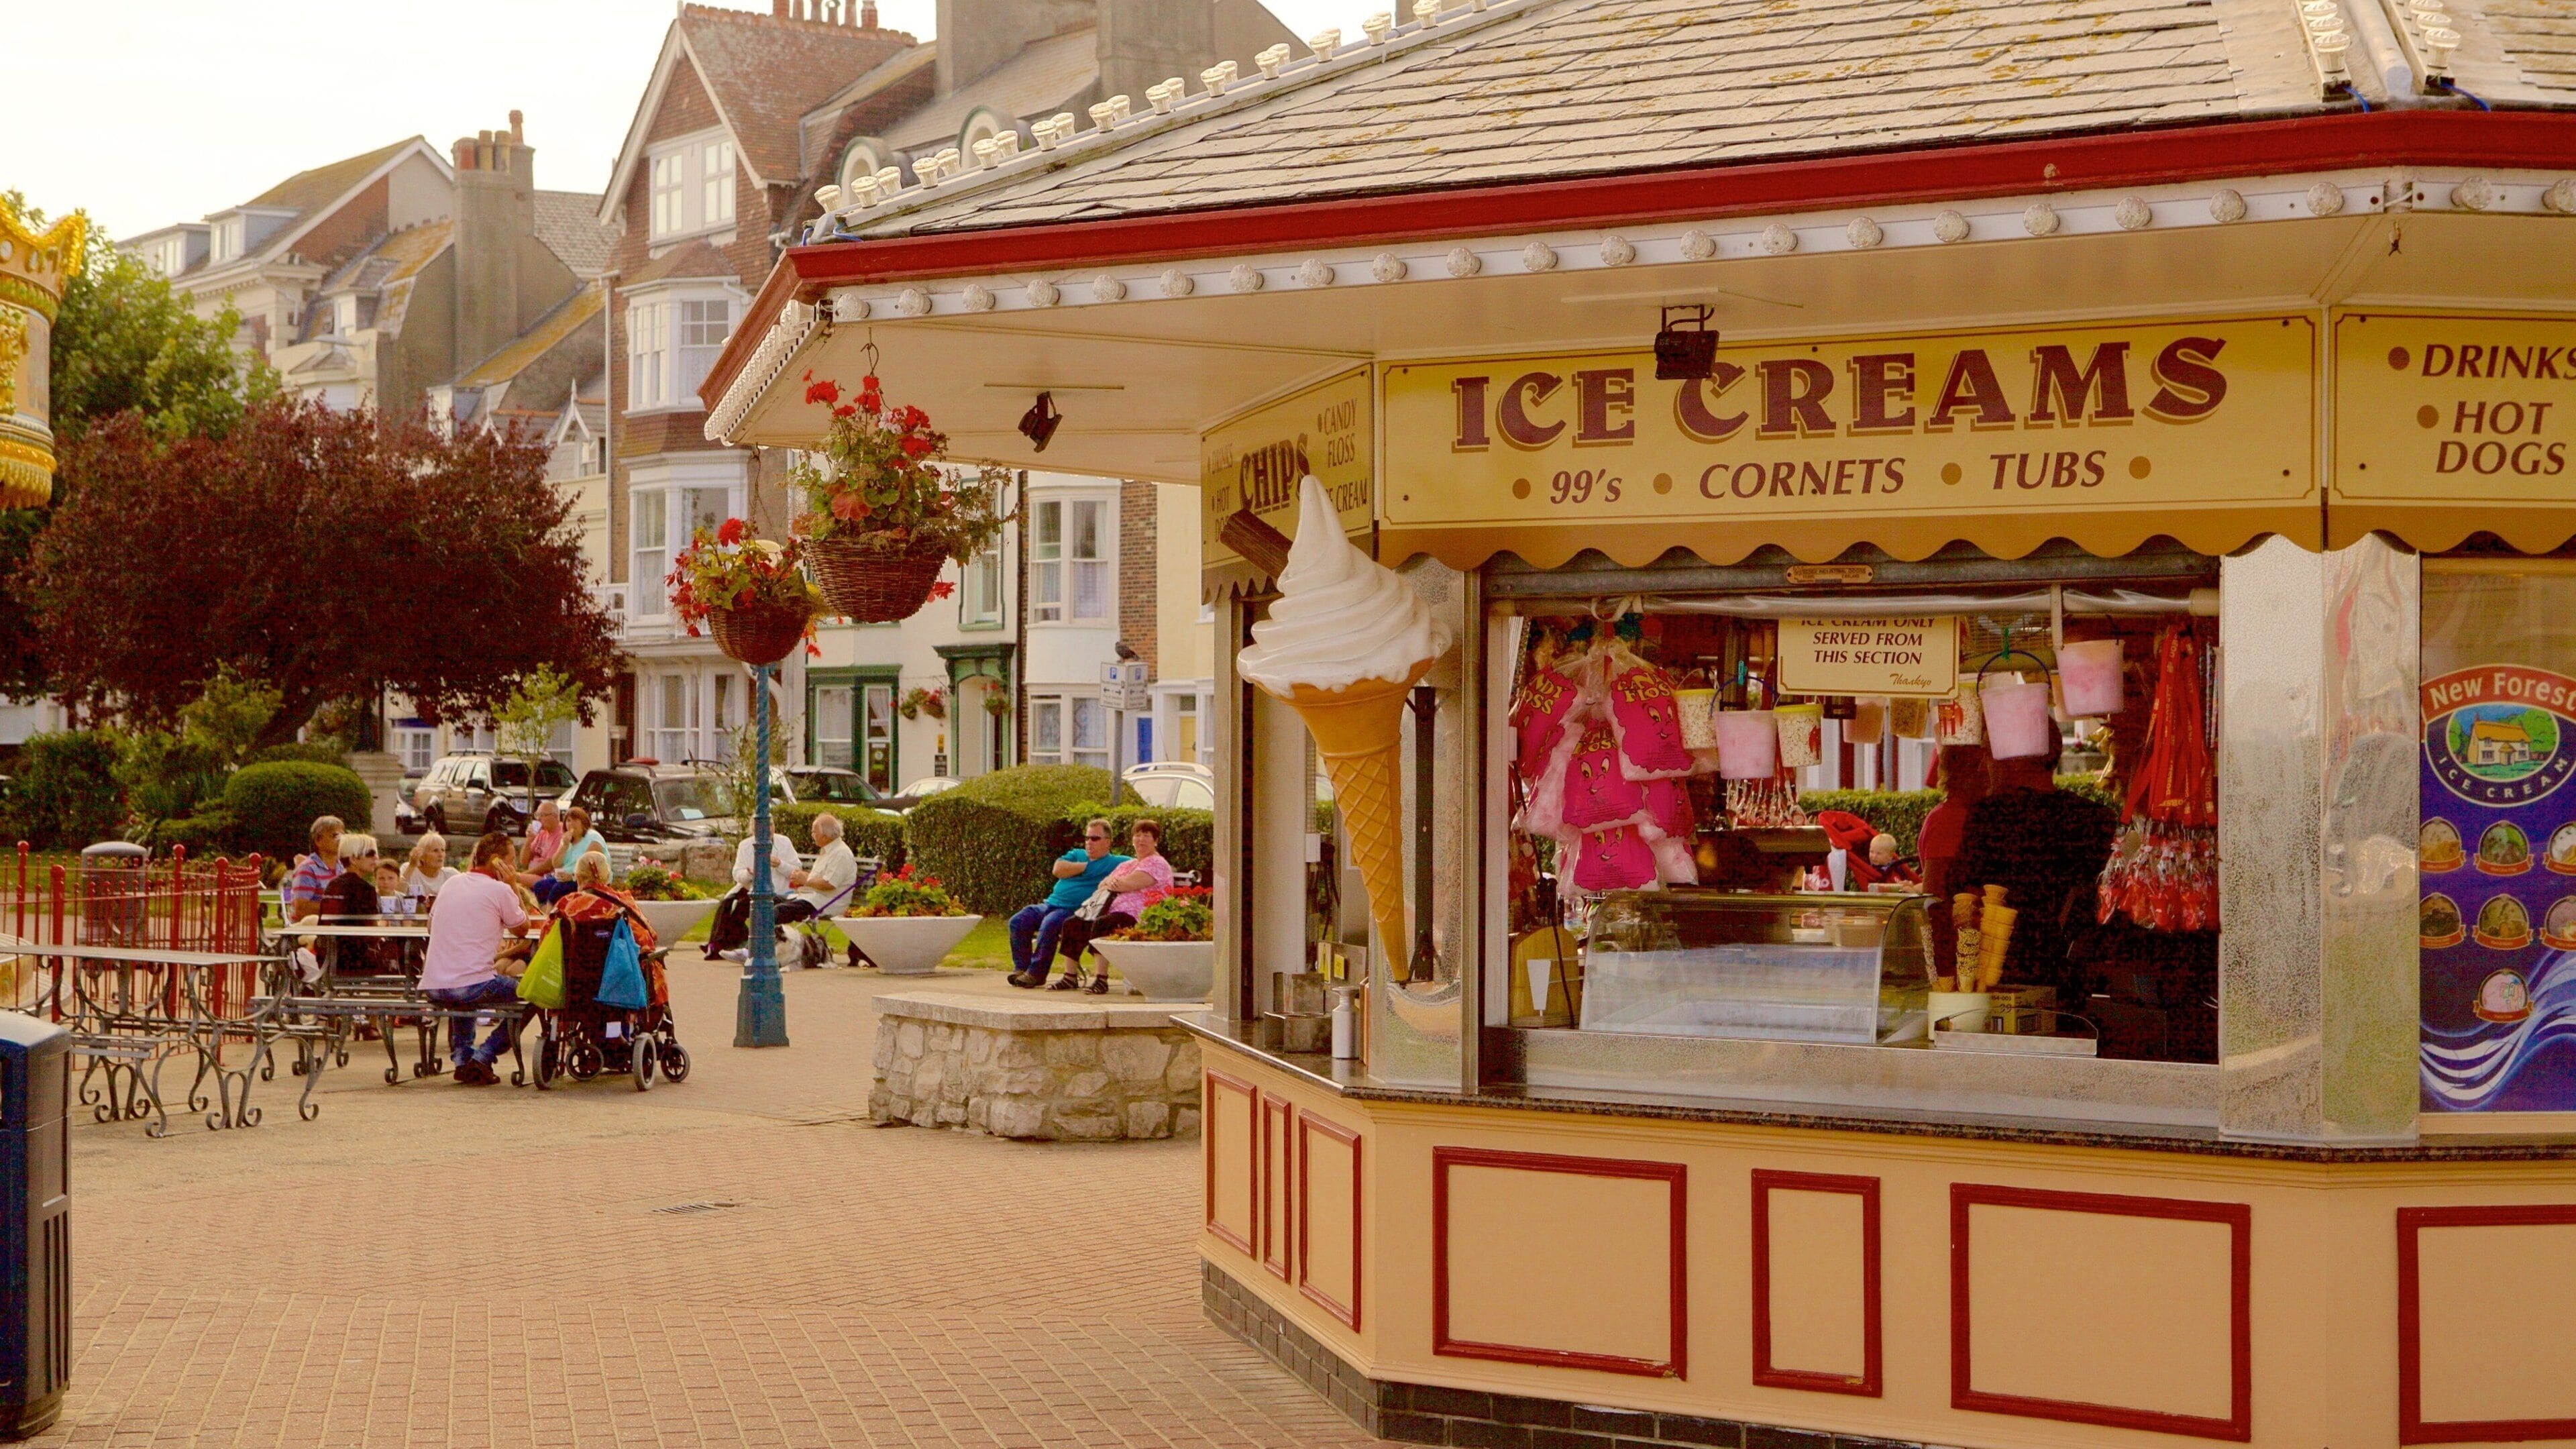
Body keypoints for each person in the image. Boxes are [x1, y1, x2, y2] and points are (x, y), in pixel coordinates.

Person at [1952, 720, 2116, 1011]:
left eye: (1990, 752)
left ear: (2014, 757)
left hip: (2000, 984)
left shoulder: (1989, 819)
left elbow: (1966, 906)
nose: (1983, 766)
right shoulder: (2096, 819)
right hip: (2073, 983)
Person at [422, 831, 531, 1085]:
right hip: (470, 985)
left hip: (433, 984)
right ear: (497, 861)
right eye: (511, 860)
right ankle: (484, 1055)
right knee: (533, 995)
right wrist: (513, 884)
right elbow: (522, 929)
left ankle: (462, 1060)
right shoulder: (499, 889)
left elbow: (430, 926)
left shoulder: (451, 883)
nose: (514, 866)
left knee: (466, 995)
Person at [1049, 818, 1173, 994]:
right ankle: (1070, 977)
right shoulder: (1128, 864)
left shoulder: (1157, 863)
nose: (1141, 840)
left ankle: (1101, 979)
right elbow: (1102, 885)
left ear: (1156, 841)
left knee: (1103, 924)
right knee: (1073, 923)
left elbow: (1126, 884)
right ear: (1132, 840)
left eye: (1147, 836)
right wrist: (1113, 883)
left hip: (1140, 916)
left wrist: (1115, 883)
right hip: (1110, 911)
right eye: (1137, 836)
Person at [1007, 818, 1129, 989]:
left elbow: (1143, 865)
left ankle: (1036, 974)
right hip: (1050, 904)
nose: (1089, 843)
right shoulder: (1077, 854)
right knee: (1018, 921)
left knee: (1050, 924)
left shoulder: (1117, 862)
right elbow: (1058, 870)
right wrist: (1087, 867)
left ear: (1108, 842)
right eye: (1087, 838)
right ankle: (1021, 968)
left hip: (1073, 910)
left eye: (1095, 839)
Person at [1916, 745, 1990, 983]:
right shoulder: (1948, 820)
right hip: (1959, 949)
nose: (1986, 775)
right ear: (1962, 774)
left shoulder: (1966, 814)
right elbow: (1935, 895)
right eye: (1979, 769)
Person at [703, 825, 805, 960]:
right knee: (727, 903)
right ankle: (716, 944)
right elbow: (737, 873)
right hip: (750, 886)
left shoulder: (784, 842)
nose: (768, 829)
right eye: (763, 826)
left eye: (771, 825)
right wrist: (749, 873)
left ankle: (728, 944)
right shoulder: (745, 845)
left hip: (776, 892)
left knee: (741, 907)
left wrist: (780, 864)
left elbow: (797, 870)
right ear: (753, 829)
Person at [777, 813, 861, 965]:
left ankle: (761, 952)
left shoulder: (841, 854)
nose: (812, 835)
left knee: (777, 912)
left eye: (814, 831)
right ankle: (760, 949)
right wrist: (802, 879)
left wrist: (806, 880)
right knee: (764, 903)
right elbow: (819, 879)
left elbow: (830, 885)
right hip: (810, 897)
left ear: (825, 835)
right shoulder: (828, 851)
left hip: (824, 903)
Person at [534, 806, 607, 906]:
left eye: (575, 820)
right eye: (568, 821)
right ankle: (546, 914)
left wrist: (573, 876)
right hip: (565, 877)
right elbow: (556, 864)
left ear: (583, 823)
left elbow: (589, 866)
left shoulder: (592, 838)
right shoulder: (566, 840)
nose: (571, 824)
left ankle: (551, 917)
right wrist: (564, 846)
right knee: (540, 886)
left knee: (557, 890)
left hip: (583, 879)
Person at [284, 815, 344, 924]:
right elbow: (301, 909)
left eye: (343, 835)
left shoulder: (342, 867)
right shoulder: (308, 869)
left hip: (334, 929)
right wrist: (340, 908)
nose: (341, 840)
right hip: (310, 932)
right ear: (318, 841)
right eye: (335, 835)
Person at [402, 832, 459, 904]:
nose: (441, 855)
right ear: (422, 856)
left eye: (443, 850)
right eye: (435, 850)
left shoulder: (451, 875)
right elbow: (396, 895)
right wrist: (411, 867)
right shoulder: (409, 869)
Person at [519, 800, 566, 879]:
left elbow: (548, 866)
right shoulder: (541, 832)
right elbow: (524, 862)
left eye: (542, 815)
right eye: (537, 815)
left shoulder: (561, 834)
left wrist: (523, 875)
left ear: (555, 816)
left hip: (547, 877)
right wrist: (529, 841)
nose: (538, 819)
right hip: (532, 874)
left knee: (512, 879)